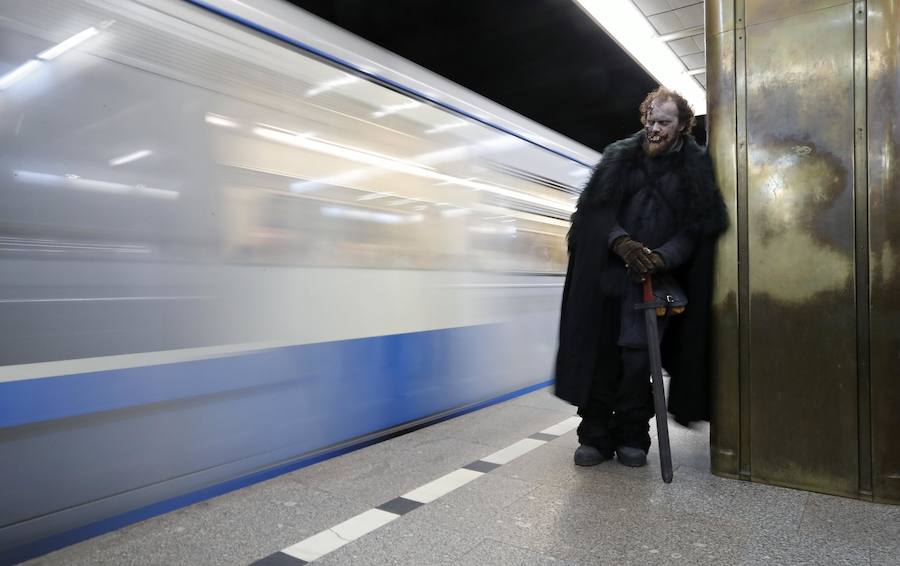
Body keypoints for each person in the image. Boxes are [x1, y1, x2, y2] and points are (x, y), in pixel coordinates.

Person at [554, 87, 728, 467]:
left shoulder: (696, 167)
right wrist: (622, 244)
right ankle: (595, 435)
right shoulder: (619, 156)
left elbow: (698, 228)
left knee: (637, 364)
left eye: (663, 122)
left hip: (654, 286)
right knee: (601, 358)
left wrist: (661, 257)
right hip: (606, 281)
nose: (654, 128)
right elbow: (595, 213)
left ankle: (633, 434)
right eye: (650, 120)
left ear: (683, 125)